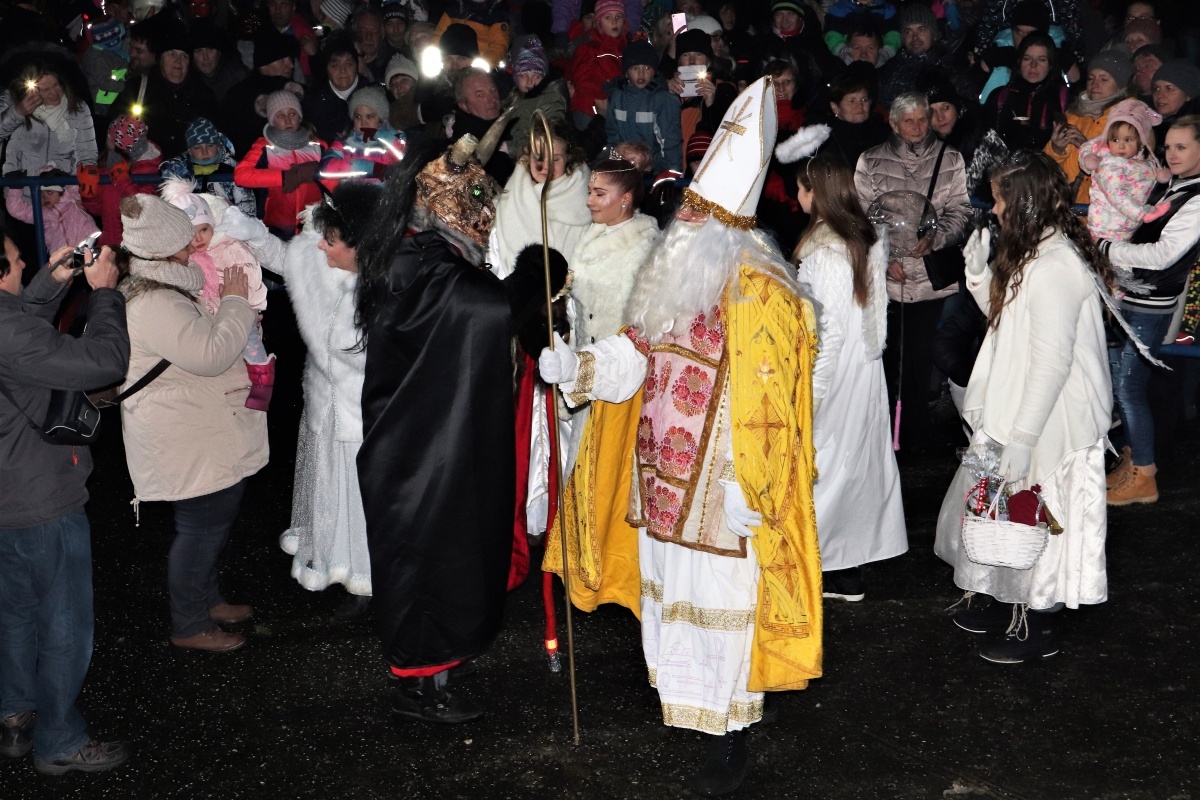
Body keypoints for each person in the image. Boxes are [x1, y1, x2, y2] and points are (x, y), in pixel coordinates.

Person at [539, 77, 822, 797]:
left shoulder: (765, 298)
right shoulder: (672, 280)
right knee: (674, 601)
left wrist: (752, 485)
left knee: (723, 608)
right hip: (660, 479)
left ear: (730, 227)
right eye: (686, 210)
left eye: (698, 213)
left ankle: (731, 731)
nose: (682, 224)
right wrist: (579, 367)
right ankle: (691, 706)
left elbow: (779, 408)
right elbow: (635, 352)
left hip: (724, 491)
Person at [353, 137, 565, 722]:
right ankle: (421, 683)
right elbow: (486, 311)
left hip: (430, 441)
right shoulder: (423, 266)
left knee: (444, 554)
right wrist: (535, 275)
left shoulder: (418, 256)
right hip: (421, 452)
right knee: (428, 559)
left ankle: (436, 668)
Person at [935, 152, 1113, 664]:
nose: (993, 209)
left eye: (999, 199)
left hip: (1052, 417)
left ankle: (1039, 622)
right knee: (1009, 513)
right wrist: (977, 277)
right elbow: (1009, 319)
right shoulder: (1033, 252)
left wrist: (1025, 437)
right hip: (1021, 405)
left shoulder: (1056, 265)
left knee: (1041, 513)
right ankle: (1007, 598)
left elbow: (1052, 362)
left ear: (1025, 203)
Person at [217, 182, 381, 618]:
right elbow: (287, 257)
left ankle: (366, 577)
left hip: (369, 413)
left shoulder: (390, 286)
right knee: (328, 488)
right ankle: (330, 562)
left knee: (361, 495)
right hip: (324, 402)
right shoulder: (316, 256)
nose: (321, 246)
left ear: (360, 244)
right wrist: (247, 230)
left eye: (332, 240)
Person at [0, 233, 131, 775]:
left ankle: (15, 714)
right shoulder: (8, 333)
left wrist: (51, 282)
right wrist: (105, 293)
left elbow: (18, 332)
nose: (24, 263)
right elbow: (104, 361)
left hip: (8, 500)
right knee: (64, 624)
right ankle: (59, 741)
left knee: (15, 613)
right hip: (39, 499)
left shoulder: (8, 326)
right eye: (15, 261)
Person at [117, 193, 265, 653]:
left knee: (208, 525)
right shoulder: (155, 301)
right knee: (201, 530)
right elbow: (211, 355)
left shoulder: (158, 288)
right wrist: (236, 301)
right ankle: (189, 624)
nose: (193, 247)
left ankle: (208, 601)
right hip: (183, 434)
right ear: (163, 250)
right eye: (184, 241)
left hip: (191, 427)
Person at [784, 139, 907, 603]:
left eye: (801, 189)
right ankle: (843, 569)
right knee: (850, 464)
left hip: (837, 373)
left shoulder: (828, 251)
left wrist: (813, 391)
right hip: (862, 367)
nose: (797, 197)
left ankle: (824, 564)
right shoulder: (858, 238)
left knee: (826, 464)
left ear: (816, 192)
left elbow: (829, 328)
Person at [855, 91, 971, 451]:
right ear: (894, 124)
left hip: (929, 276)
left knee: (919, 358)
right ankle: (882, 436)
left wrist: (937, 237)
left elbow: (960, 210)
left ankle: (914, 438)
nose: (919, 127)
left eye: (923, 119)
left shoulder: (950, 158)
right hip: (886, 278)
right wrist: (883, 257)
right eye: (910, 121)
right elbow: (862, 216)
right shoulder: (871, 160)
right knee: (888, 356)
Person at [1098, 115, 1200, 505]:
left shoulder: (1195, 198)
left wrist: (1107, 249)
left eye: (1181, 147)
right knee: (1121, 382)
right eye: (1168, 146)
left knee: (1129, 386)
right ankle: (1133, 460)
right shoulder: (1174, 184)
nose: (1171, 154)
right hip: (1131, 295)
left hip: (1153, 304)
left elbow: (1163, 255)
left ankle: (1145, 474)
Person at [487, 120, 591, 278]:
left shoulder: (586, 200)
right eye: (539, 158)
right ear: (527, 157)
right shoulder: (505, 202)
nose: (545, 166)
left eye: (555, 159)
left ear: (568, 157)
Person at [111, 20, 220, 157]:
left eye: (184, 56)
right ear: (160, 59)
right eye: (172, 54)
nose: (178, 61)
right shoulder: (136, 89)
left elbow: (218, 140)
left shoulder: (203, 95)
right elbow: (112, 133)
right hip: (144, 167)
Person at [1045, 50, 1133, 206]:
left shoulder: (1130, 120)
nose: (1095, 84)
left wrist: (1087, 148)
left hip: (1102, 211)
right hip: (1064, 206)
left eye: (1104, 79)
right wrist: (1056, 149)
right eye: (1091, 78)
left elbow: (1128, 173)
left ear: (1120, 84)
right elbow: (1046, 169)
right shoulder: (1073, 115)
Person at [234, 90, 325, 238]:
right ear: (272, 120)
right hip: (276, 229)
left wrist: (318, 171)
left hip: (315, 226)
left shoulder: (318, 146)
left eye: (292, 114)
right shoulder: (264, 146)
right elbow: (241, 175)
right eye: (280, 115)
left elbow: (334, 177)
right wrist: (283, 177)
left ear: (300, 116)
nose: (288, 120)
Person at [1078, 98, 1168, 242]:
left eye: (1128, 140)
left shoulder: (1144, 163)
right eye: (1115, 140)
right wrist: (1142, 214)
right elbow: (1116, 194)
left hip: (1127, 228)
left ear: (1141, 141)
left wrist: (1159, 173)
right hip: (1106, 230)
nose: (1121, 146)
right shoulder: (1109, 164)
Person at [2, 62, 99, 177]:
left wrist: (84, 177)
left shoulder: (78, 107)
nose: (54, 92)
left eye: (56, 85)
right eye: (46, 89)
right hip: (23, 184)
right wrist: (17, 113)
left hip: (64, 185)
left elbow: (87, 155)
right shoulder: (13, 101)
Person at [605, 40, 682, 175]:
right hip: (625, 171)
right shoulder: (617, 97)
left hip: (654, 171)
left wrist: (671, 174)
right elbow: (612, 137)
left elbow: (670, 141)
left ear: (653, 71)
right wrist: (614, 167)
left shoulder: (662, 100)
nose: (641, 74)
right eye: (635, 68)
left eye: (646, 68)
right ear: (626, 72)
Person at [981, 32, 1066, 154]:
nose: (1033, 65)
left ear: (1051, 64)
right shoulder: (1000, 96)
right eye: (1027, 58)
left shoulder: (1063, 98)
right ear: (1019, 61)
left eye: (1041, 59)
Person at [159, 118, 257, 218]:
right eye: (197, 147)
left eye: (210, 146)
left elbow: (247, 207)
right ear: (189, 151)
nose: (204, 152)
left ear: (218, 147)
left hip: (228, 223)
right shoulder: (179, 169)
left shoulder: (233, 169)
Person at [319, 86, 407, 183]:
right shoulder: (344, 141)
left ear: (380, 119)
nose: (363, 122)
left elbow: (403, 158)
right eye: (358, 117)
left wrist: (379, 135)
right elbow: (325, 168)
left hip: (383, 192)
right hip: (351, 191)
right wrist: (371, 168)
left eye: (370, 117)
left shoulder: (395, 137)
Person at [814, 66, 890, 170]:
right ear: (835, 107)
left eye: (864, 100)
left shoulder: (883, 132)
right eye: (852, 101)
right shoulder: (825, 140)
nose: (860, 106)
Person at [569, 0, 628, 129]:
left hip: (616, 110)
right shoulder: (588, 49)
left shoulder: (627, 50)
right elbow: (582, 82)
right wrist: (608, 90)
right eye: (608, 17)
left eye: (618, 17)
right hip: (589, 112)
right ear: (598, 22)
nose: (614, 22)